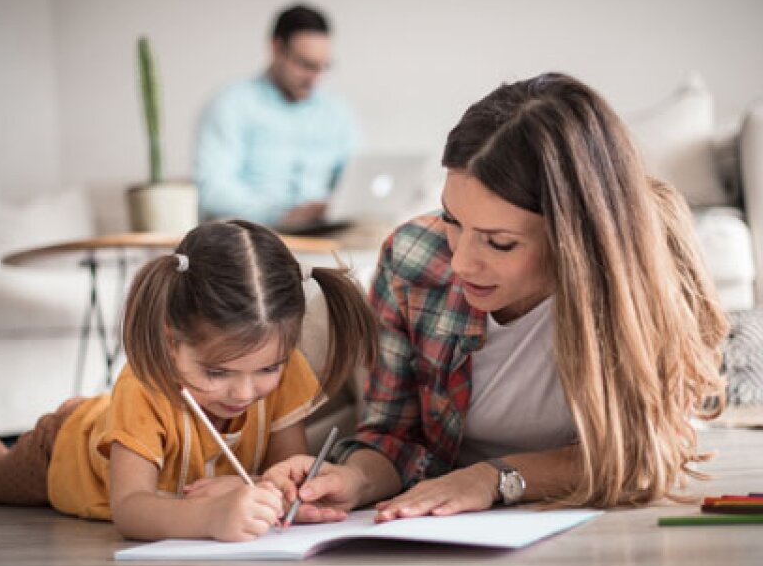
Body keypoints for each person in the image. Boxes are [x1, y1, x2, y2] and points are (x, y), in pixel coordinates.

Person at [264, 72, 728, 520]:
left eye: (499, 242)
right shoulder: (412, 258)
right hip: (454, 517)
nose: (462, 262)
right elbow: (394, 435)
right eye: (452, 220)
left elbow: (645, 455)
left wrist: (495, 479)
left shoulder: (645, 271)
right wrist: (354, 481)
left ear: (573, 238)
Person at [0, 220, 376, 541]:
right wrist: (211, 516)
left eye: (268, 369)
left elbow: (277, 471)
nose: (245, 393)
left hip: (117, 432)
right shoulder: (144, 385)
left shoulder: (288, 373)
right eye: (217, 372)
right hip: (66, 449)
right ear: (170, 340)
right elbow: (130, 508)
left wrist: (283, 495)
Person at [193, 3, 358, 230]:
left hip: (324, 232)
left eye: (322, 67)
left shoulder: (336, 110)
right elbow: (211, 190)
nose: (314, 78)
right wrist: (280, 215)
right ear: (276, 48)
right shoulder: (231, 104)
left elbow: (354, 175)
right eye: (305, 64)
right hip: (256, 235)